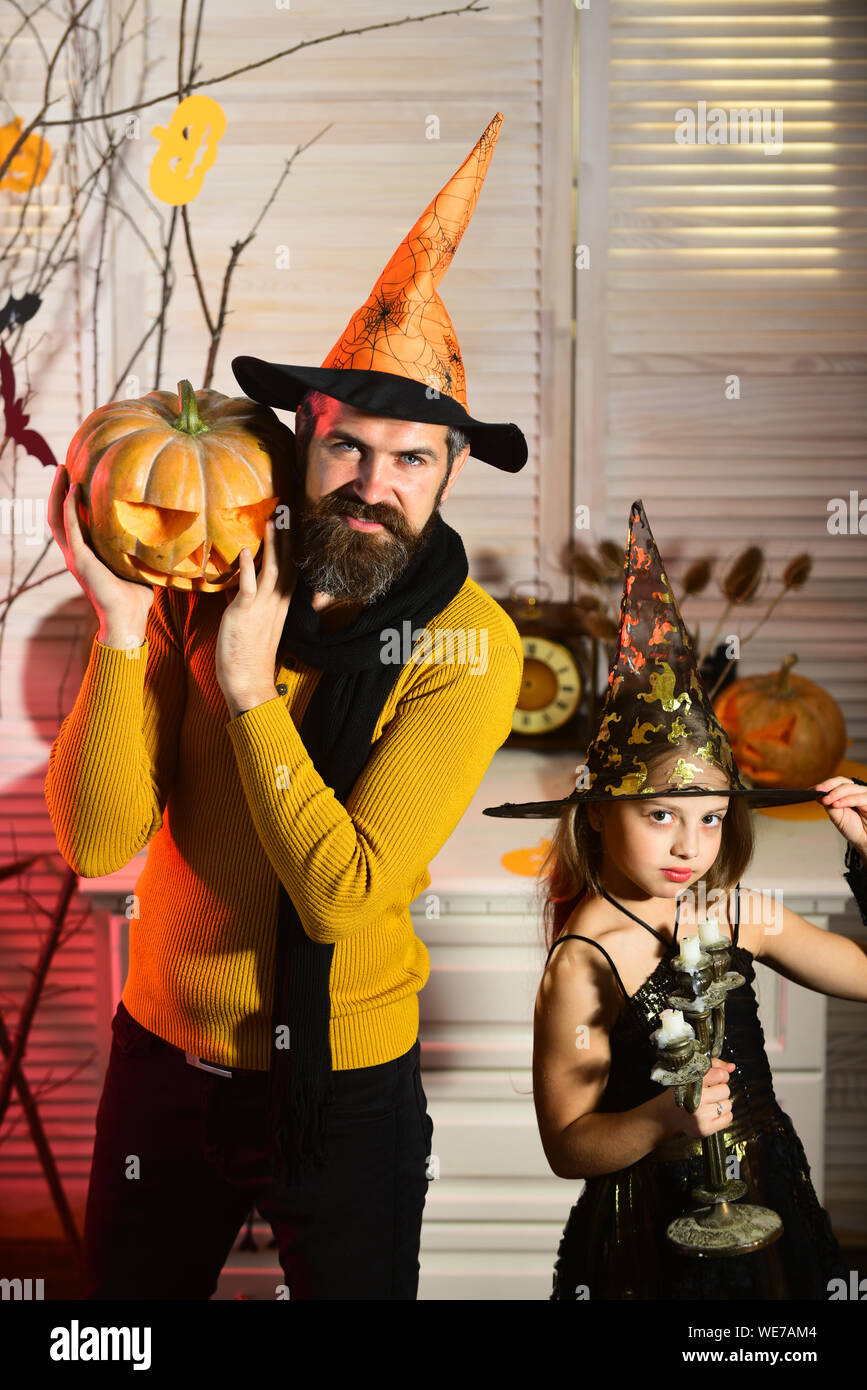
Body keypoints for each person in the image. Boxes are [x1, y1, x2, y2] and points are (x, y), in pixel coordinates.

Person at [44, 112, 527, 1301]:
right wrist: (117, 621)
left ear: (452, 471)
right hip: (164, 1059)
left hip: (344, 1085)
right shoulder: (200, 580)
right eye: (349, 447)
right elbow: (97, 841)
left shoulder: (467, 644)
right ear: (301, 442)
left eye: (412, 458)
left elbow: (342, 891)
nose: (375, 485)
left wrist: (251, 692)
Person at [484, 499, 867, 1300]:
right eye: (659, 816)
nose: (690, 847)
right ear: (599, 814)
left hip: (765, 1202)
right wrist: (660, 1121)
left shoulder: (733, 912)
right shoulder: (584, 961)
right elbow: (569, 1146)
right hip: (644, 1233)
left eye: (711, 819)